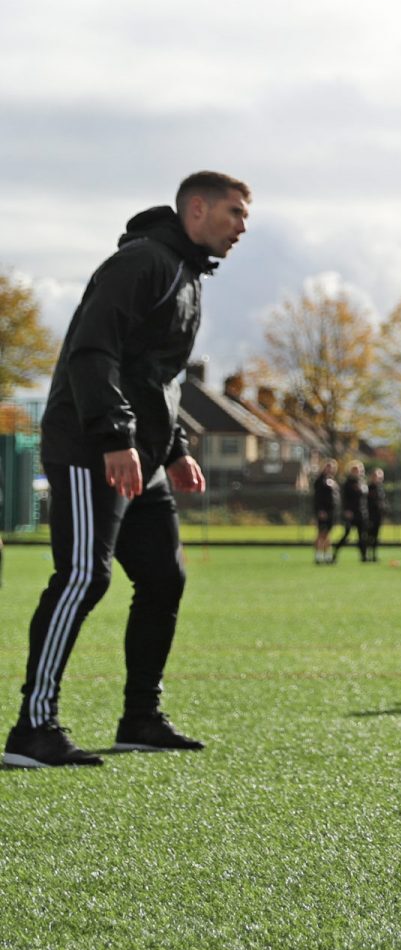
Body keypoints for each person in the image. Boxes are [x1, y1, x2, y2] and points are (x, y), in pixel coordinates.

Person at [6, 171, 249, 768]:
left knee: (165, 577)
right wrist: (115, 437)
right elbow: (95, 351)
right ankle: (33, 727)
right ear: (197, 208)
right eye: (235, 213)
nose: (243, 227)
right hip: (93, 447)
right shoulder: (142, 264)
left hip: (144, 455)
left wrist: (176, 448)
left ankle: (140, 716)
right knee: (85, 575)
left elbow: (156, 377)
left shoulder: (188, 275)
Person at [336, 461, 369, 562]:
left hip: (361, 513)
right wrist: (346, 510)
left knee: (362, 536)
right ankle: (335, 553)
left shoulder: (362, 482)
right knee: (347, 535)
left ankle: (363, 557)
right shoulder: (347, 483)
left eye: (358, 470)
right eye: (354, 470)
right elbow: (344, 498)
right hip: (351, 513)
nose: (356, 472)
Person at [313, 459, 340, 565]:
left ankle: (327, 555)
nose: (330, 469)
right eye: (328, 466)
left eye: (332, 467)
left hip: (331, 511)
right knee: (321, 533)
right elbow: (317, 497)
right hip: (323, 511)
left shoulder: (332, 480)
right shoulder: (320, 480)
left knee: (328, 534)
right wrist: (320, 510)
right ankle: (319, 556)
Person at [366, 467, 389, 561]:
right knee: (369, 535)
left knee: (376, 536)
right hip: (370, 515)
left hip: (378, 515)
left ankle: (374, 555)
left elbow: (383, 502)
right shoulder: (368, 488)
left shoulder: (380, 488)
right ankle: (367, 554)